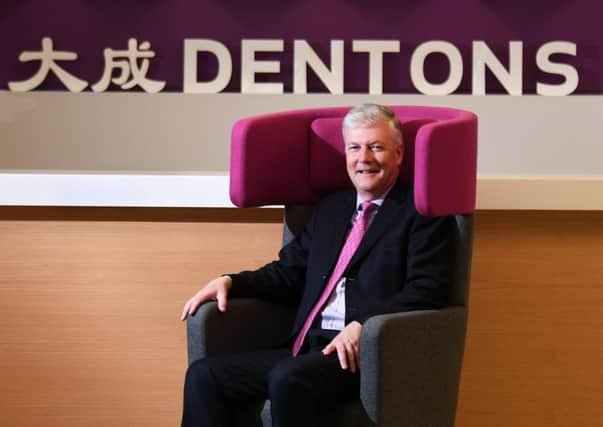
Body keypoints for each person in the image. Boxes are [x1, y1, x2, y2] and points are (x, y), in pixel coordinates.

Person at [180, 103, 454, 427]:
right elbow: (289, 272)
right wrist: (231, 281)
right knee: (204, 376)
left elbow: (428, 289)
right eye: (354, 148)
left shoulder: (422, 213)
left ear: (399, 154)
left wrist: (365, 325)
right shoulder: (331, 209)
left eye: (376, 147)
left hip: (364, 355)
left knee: (287, 378)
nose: (363, 158)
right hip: (306, 347)